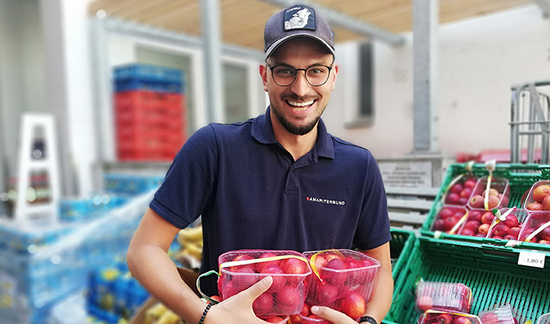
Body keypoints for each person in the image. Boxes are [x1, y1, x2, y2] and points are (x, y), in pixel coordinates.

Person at [127, 4, 393, 324]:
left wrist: (367, 322)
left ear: (333, 76)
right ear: (265, 76)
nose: (301, 88)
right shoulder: (215, 148)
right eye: (284, 70)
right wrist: (206, 316)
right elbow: (144, 251)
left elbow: (381, 272)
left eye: (315, 70)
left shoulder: (359, 166)